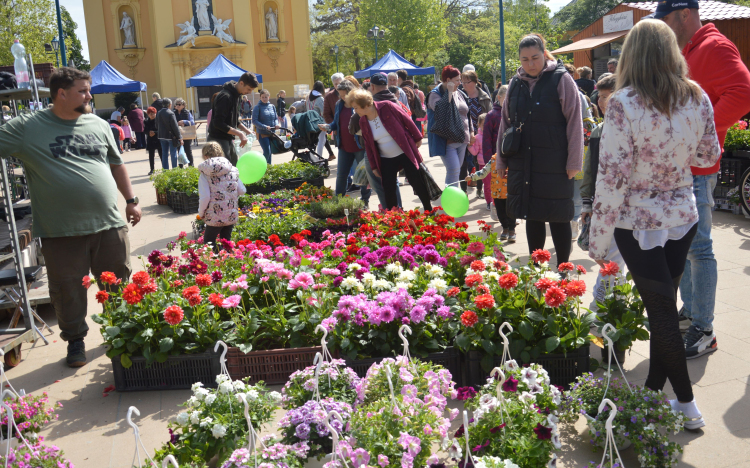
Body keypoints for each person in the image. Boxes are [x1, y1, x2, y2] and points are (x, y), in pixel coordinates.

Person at [588, 19, 720, 429]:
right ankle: (651, 393)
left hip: (637, 222)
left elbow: (611, 177)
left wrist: (597, 238)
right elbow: (707, 156)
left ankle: (685, 402)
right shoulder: (696, 96)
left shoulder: (624, 104)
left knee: (660, 310)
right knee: (661, 307)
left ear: (632, 55)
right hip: (682, 216)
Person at [0, 67, 141, 367]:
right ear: (61, 93)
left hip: (109, 223)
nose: (90, 96)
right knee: (68, 292)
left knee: (118, 283)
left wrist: (131, 201)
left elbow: (116, 164)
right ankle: (75, 341)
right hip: (61, 231)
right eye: (83, 90)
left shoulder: (98, 124)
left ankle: (124, 334)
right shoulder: (29, 126)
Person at [658, 0, 750, 359]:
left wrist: (701, 135)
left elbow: (743, 93)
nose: (663, 26)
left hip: (697, 169)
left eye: (666, 18)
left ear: (684, 14)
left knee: (699, 248)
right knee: (688, 247)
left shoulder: (714, 46)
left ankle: (704, 330)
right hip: (685, 169)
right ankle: (693, 312)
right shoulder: (691, 48)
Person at [496, 35, 583, 267]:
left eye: (535, 57)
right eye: (524, 59)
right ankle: (537, 270)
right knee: (531, 214)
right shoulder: (515, 83)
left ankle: (563, 269)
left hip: (555, 162)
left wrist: (574, 161)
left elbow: (575, 122)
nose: (530, 64)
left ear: (544, 54)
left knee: (559, 216)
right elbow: (505, 125)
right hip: (523, 161)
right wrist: (501, 161)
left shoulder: (561, 79)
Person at [349, 89, 432, 212]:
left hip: (405, 152)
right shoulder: (362, 121)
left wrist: (418, 137)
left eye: (356, 108)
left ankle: (428, 210)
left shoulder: (387, 106)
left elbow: (407, 120)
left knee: (417, 182)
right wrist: (374, 167)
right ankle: (394, 217)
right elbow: (369, 145)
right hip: (385, 159)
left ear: (365, 105)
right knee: (388, 190)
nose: (354, 111)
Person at [580, 73, 621, 302]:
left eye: (608, 96)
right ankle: (610, 301)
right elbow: (589, 171)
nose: (602, 102)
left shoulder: (631, 130)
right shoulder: (597, 131)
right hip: (600, 204)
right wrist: (587, 203)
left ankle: (603, 305)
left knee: (612, 259)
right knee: (601, 255)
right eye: (600, 97)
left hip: (624, 207)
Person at [321, 80, 372, 208]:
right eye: (340, 95)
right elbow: (336, 123)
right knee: (341, 174)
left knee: (362, 175)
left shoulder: (358, 104)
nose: (342, 98)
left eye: (344, 95)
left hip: (359, 146)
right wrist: (328, 127)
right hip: (344, 145)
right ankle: (339, 200)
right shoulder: (339, 104)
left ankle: (365, 200)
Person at [427, 65, 472, 187]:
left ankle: (453, 199)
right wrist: (449, 93)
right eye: (457, 80)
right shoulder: (435, 94)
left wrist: (472, 132)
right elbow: (440, 110)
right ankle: (451, 202)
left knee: (457, 172)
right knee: (454, 170)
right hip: (446, 140)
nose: (460, 83)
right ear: (448, 80)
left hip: (462, 139)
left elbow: (467, 114)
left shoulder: (460, 93)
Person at [564, 63, 595, 240]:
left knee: (576, 190)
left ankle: (574, 221)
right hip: (559, 151)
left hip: (577, 149)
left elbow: (589, 123)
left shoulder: (580, 97)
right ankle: (570, 220)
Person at [198, 142, 246, 252]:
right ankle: (227, 263)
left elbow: (205, 197)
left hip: (214, 215)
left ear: (205, 156)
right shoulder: (232, 169)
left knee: (209, 243)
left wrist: (201, 213)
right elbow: (242, 190)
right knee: (226, 243)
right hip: (230, 214)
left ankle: (215, 265)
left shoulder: (205, 173)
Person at [207, 73, 259, 166]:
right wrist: (239, 133)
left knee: (234, 167)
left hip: (227, 139)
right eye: (249, 89)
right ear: (241, 83)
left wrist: (247, 131)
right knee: (224, 169)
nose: (250, 92)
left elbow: (235, 121)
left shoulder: (237, 96)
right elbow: (218, 123)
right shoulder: (225, 96)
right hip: (217, 140)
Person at [461, 70, 492, 198]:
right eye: (462, 81)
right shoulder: (460, 96)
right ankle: (463, 192)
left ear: (474, 82)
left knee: (481, 162)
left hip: (481, 136)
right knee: (464, 163)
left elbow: (490, 117)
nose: (463, 84)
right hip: (465, 135)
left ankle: (480, 189)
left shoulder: (484, 97)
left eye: (466, 82)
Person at [482, 85, 509, 219]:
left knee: (507, 187)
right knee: (496, 185)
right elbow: (486, 140)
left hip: (510, 158)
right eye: (506, 98)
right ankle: (494, 205)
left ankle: (509, 217)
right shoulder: (492, 115)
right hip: (495, 158)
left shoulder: (514, 114)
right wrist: (489, 160)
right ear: (499, 98)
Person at [252, 89, 279, 164]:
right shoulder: (257, 107)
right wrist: (264, 126)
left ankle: (268, 169)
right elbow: (254, 121)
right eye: (262, 97)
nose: (264, 99)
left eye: (266, 97)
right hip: (262, 133)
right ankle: (260, 167)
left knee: (270, 153)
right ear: (260, 97)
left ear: (269, 97)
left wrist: (276, 124)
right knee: (267, 152)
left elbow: (275, 118)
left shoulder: (272, 106)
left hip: (272, 132)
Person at [156, 98, 182, 169]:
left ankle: (165, 170)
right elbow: (175, 126)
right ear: (170, 105)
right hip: (171, 136)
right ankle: (174, 169)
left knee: (164, 154)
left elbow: (156, 125)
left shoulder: (159, 113)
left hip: (161, 136)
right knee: (173, 154)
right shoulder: (170, 113)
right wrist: (180, 137)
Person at [173, 98, 195, 167]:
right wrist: (177, 124)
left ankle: (191, 166)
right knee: (179, 151)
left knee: (188, 150)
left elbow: (192, 122)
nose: (178, 106)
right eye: (176, 104)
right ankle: (181, 167)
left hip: (187, 134)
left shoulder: (187, 112)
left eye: (179, 104)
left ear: (183, 105)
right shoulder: (173, 113)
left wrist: (184, 122)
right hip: (177, 135)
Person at [144, 106, 159, 175]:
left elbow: (161, 129)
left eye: (153, 114)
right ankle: (152, 169)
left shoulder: (159, 120)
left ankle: (165, 169)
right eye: (150, 114)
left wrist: (155, 132)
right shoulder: (146, 121)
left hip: (158, 138)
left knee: (161, 154)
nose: (152, 115)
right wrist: (149, 132)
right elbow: (145, 130)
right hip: (150, 139)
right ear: (148, 114)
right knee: (151, 155)